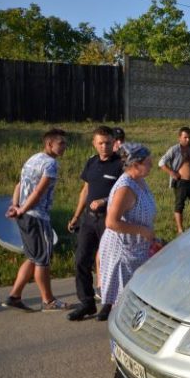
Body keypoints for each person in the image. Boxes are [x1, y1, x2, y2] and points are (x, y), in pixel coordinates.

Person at [2, 129, 71, 312]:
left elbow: (19, 184)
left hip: (24, 216)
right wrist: (23, 208)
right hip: (37, 217)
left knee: (32, 257)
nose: (65, 147)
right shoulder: (50, 165)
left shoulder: (33, 159)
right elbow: (38, 192)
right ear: (50, 144)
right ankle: (48, 301)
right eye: (61, 143)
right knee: (42, 260)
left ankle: (14, 296)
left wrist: (15, 205)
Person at [67, 126, 123, 321]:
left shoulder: (120, 164)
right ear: (94, 143)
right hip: (89, 220)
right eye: (100, 143)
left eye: (108, 142)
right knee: (81, 259)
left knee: (108, 262)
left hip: (110, 220)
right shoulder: (91, 162)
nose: (104, 146)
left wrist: (105, 200)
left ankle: (108, 303)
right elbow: (85, 190)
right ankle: (87, 303)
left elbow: (124, 192)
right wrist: (76, 216)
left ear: (114, 143)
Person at [98, 143, 156, 321]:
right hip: (123, 252)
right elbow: (111, 222)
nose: (152, 164)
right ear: (136, 164)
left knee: (135, 298)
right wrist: (142, 231)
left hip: (136, 248)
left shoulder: (139, 181)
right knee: (123, 301)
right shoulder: (125, 188)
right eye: (148, 161)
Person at [158, 127, 190, 233]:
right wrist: (172, 173)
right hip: (181, 182)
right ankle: (180, 229)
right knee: (179, 205)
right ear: (179, 138)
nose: (188, 139)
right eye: (185, 137)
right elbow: (161, 162)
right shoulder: (174, 149)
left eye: (189, 137)